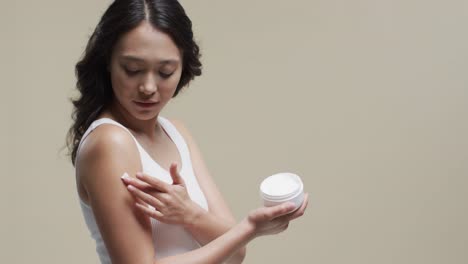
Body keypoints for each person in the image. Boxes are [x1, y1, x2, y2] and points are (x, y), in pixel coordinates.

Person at [66, 0, 309, 263]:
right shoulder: (110, 142)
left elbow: (236, 253)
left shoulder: (176, 132)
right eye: (133, 69)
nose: (148, 87)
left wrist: (189, 213)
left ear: (183, 68)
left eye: (165, 72)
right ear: (107, 62)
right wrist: (249, 228)